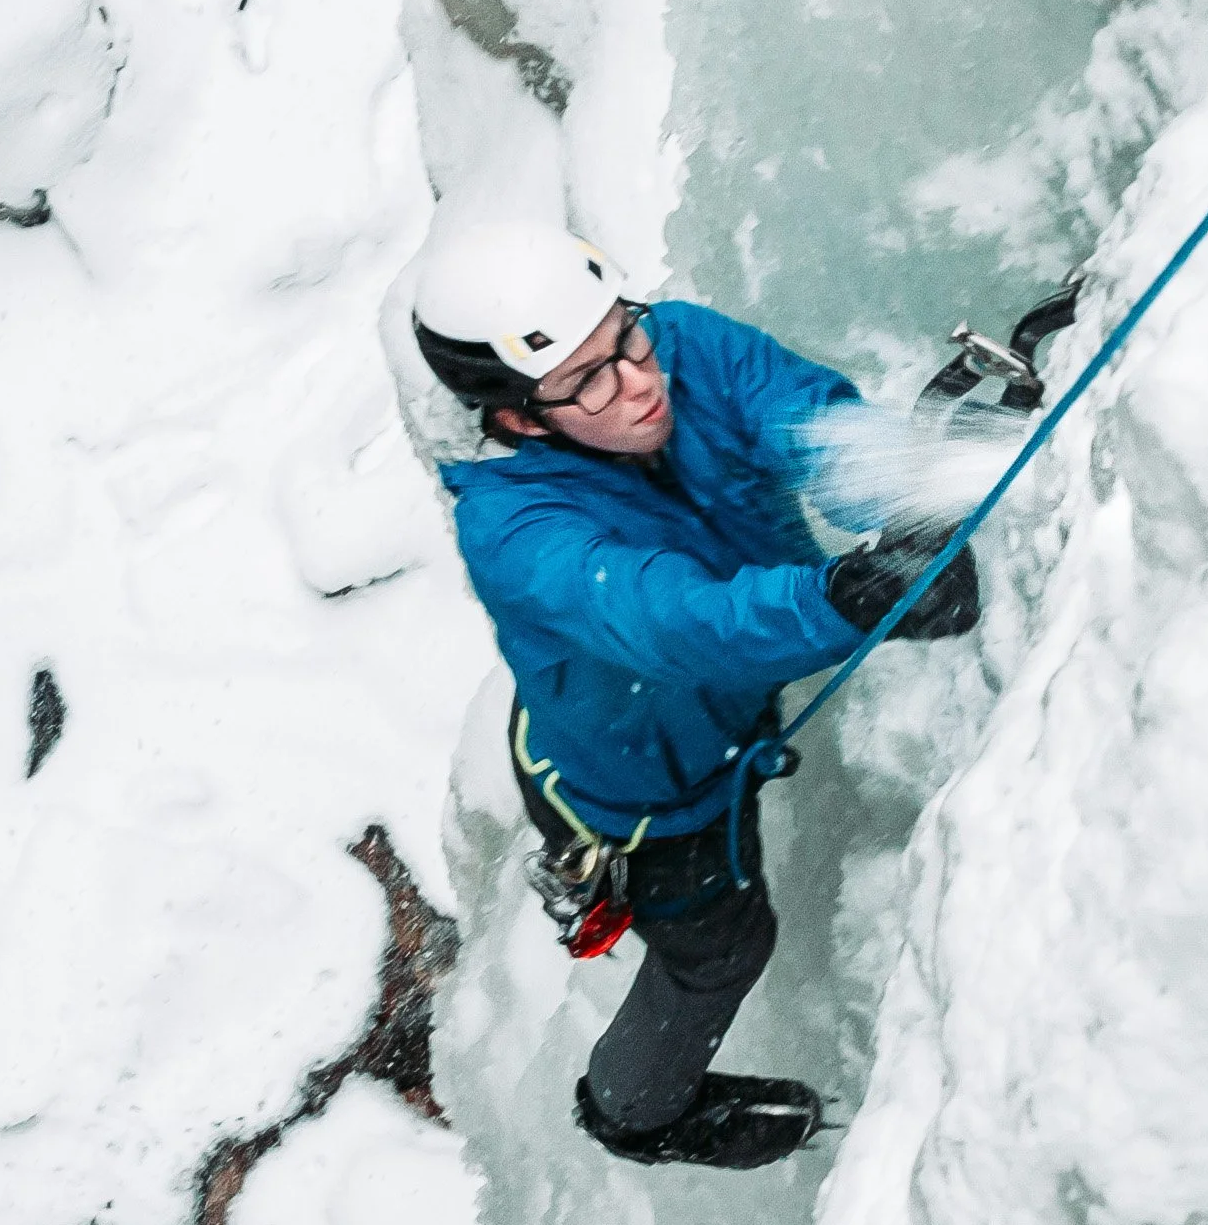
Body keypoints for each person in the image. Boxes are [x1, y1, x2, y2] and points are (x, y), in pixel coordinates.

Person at [412, 220, 979, 1171]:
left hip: (694, 707)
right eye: (586, 379)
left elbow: (800, 417)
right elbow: (671, 622)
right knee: (720, 949)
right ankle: (636, 1112)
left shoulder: (680, 347)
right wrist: (844, 599)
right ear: (517, 418)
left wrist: (901, 497)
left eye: (626, 337)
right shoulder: (515, 531)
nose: (638, 380)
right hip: (637, 786)